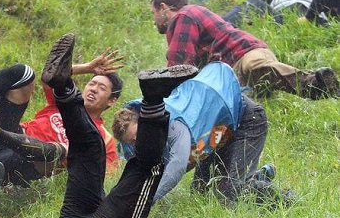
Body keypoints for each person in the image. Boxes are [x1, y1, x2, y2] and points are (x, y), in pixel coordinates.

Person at [44, 33, 234, 218]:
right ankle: (63, 85)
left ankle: (154, 99)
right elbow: (120, 217)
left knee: (148, 169)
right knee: (89, 149)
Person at [0, 49, 123, 188]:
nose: (94, 89)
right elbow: (50, 76)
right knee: (24, 73)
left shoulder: (103, 139)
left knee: (65, 151)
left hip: (22, 164)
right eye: (92, 83)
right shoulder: (66, 103)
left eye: (102, 88)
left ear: (112, 101)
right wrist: (87, 68)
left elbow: (105, 179)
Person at [113, 61, 292, 205]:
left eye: (138, 136)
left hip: (245, 120)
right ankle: (257, 177)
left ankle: (288, 199)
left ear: (143, 121)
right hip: (219, 133)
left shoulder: (173, 122)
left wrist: (146, 201)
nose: (138, 142)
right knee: (201, 192)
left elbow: (177, 165)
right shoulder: (146, 135)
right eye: (133, 142)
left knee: (229, 191)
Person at [150, 0, 339, 99]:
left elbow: (178, 66)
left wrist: (163, 98)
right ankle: (316, 88)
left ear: (164, 7)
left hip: (244, 54)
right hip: (231, 75)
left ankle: (315, 83)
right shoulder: (190, 15)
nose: (153, 22)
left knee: (256, 67)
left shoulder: (185, 15)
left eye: (153, 13)